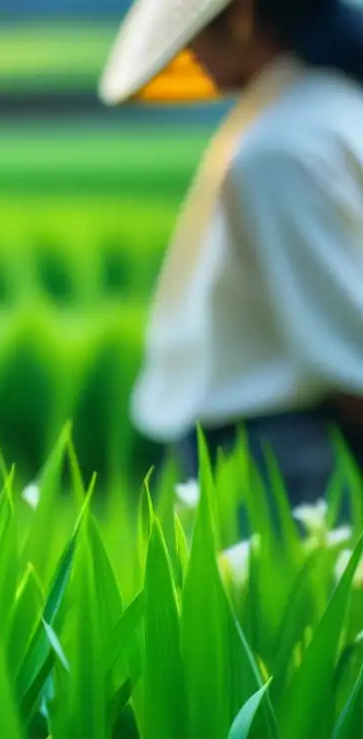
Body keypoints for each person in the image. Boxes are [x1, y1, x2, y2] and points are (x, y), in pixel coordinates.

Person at [98, 0, 363, 536]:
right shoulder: (328, 106)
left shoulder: (281, 145)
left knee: (275, 618)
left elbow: (346, 351)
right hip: (296, 441)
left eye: (194, 36)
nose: (189, 55)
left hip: (282, 454)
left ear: (242, 18)